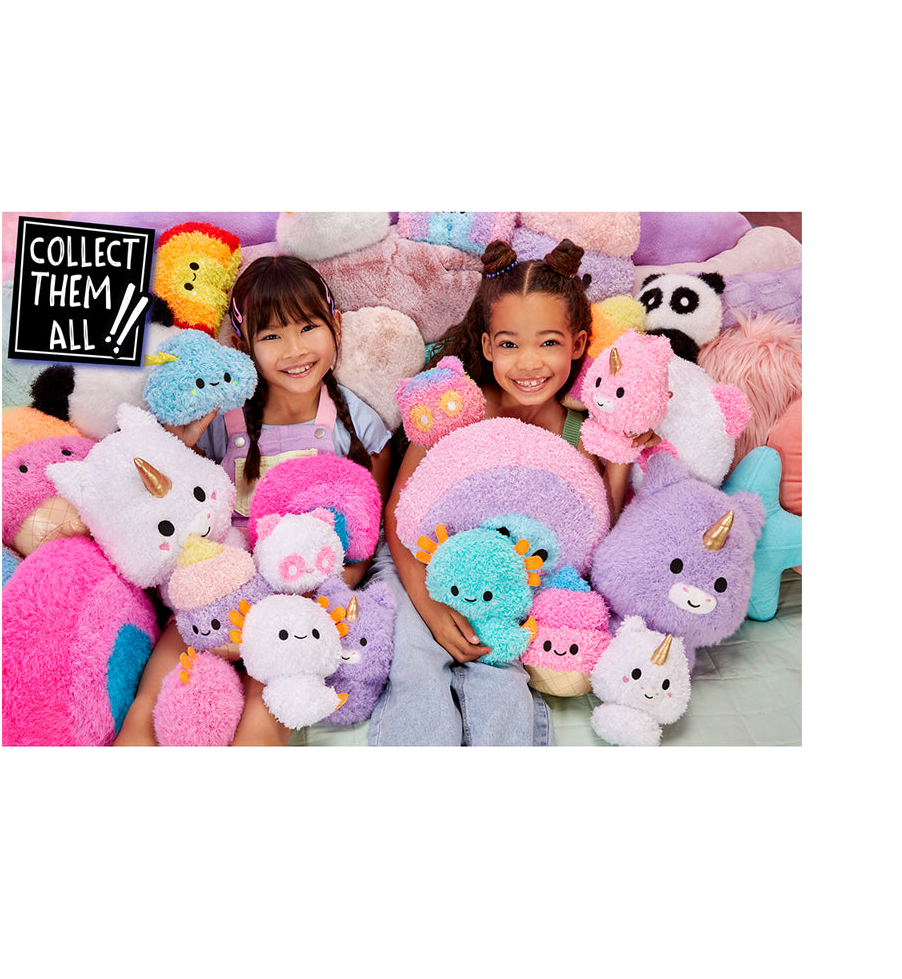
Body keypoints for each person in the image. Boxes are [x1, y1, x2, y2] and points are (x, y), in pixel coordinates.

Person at [368, 238, 652, 746]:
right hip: (420, 557)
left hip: (511, 581)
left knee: (500, 676)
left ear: (578, 344)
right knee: (415, 659)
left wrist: (621, 452)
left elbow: (594, 533)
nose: (528, 364)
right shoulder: (458, 405)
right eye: (509, 345)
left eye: (549, 343)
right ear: (485, 346)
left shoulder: (578, 431)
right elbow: (397, 513)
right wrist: (430, 608)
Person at [115, 255, 392, 746]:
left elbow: (366, 538)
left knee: (271, 697)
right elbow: (173, 499)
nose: (295, 349)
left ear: (336, 325)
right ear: (243, 346)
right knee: (160, 682)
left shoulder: (357, 423)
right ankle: (137, 735)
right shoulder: (225, 419)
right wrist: (183, 441)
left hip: (299, 601)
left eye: (308, 327)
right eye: (271, 335)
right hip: (223, 588)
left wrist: (318, 596)